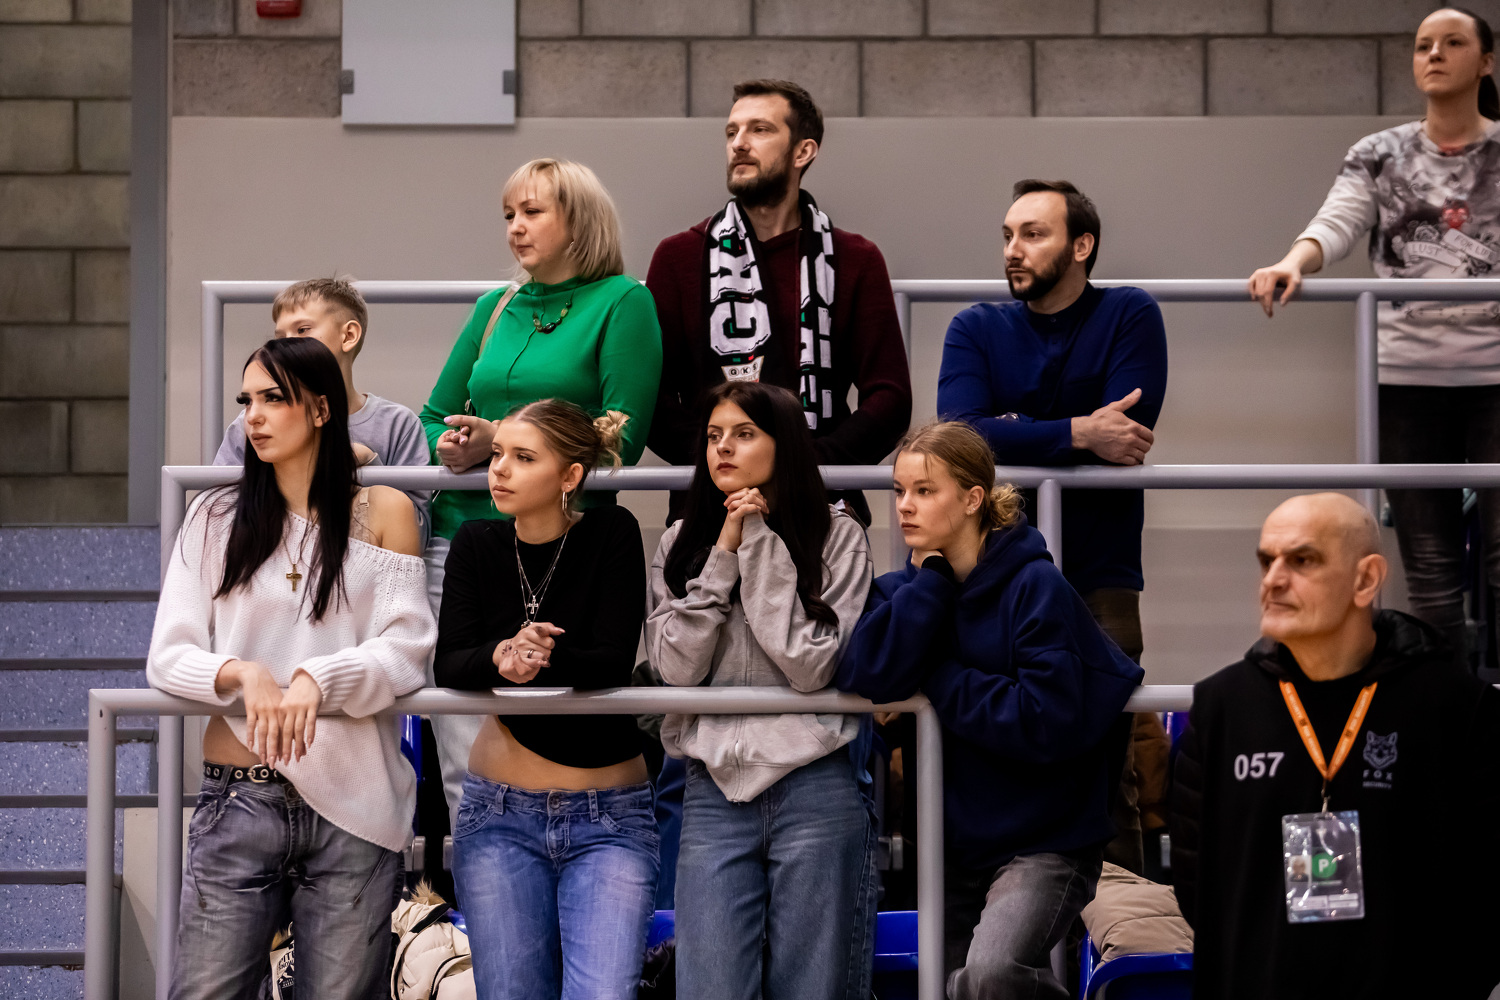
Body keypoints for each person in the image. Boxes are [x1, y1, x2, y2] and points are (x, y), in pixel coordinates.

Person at [147, 337, 434, 1000]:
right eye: (247, 400)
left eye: (274, 399)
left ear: (323, 409)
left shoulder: (385, 509)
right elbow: (169, 656)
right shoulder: (214, 515)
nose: (253, 415)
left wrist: (318, 678)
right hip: (238, 797)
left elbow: (408, 649)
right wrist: (242, 675)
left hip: (357, 809)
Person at [837, 420, 1143, 1000]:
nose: (904, 506)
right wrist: (933, 580)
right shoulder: (903, 590)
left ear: (973, 498)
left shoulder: (1035, 585)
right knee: (953, 988)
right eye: (899, 491)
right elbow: (865, 672)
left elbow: (1042, 719)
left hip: (1046, 841)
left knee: (990, 976)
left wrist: (936, 676)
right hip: (951, 846)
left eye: (925, 491)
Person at [1170, 493, 1500, 999]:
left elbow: (1488, 892)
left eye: (1302, 560)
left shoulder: (1456, 707)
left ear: (1366, 579)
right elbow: (1199, 885)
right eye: (1266, 560)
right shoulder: (1221, 706)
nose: (1273, 579)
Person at [1248, 8, 1500, 662]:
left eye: (1452, 43)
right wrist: (1293, 262)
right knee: (1431, 568)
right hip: (1408, 379)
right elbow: (1336, 222)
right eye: (1423, 45)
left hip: (1495, 378)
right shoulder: (1380, 152)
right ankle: (1448, 705)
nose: (1434, 54)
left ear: (1486, 62)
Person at [419, 158, 662, 823]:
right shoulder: (493, 307)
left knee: (563, 738)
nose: (515, 228)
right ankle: (478, 885)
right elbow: (432, 416)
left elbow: (623, 435)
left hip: (567, 542)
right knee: (462, 758)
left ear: (578, 221)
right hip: (465, 539)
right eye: (508, 215)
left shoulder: (624, 301)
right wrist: (450, 445)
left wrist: (497, 436)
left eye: (532, 212)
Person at [937, 178, 1168, 872]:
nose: (1013, 249)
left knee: (1108, 769)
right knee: (993, 760)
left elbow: (1125, 430)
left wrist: (1017, 428)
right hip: (994, 575)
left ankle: (1123, 929)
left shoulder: (1128, 313)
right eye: (1008, 235)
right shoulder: (975, 327)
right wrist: (1076, 431)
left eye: (1033, 234)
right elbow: (962, 434)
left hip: (1099, 572)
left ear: (1082, 245)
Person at [647, 381, 876, 1000]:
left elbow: (811, 665)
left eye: (744, 434)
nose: (722, 448)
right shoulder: (678, 542)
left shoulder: (839, 535)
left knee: (813, 989)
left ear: (785, 445)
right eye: (713, 436)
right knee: (710, 987)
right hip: (713, 788)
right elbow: (675, 669)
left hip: (816, 781)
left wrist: (758, 544)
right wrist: (723, 554)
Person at [435, 399, 656, 1000]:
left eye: (523, 457)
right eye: (497, 454)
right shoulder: (475, 542)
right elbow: (450, 662)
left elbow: (611, 659)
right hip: (499, 815)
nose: (499, 469)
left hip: (609, 816)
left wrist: (537, 657)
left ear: (570, 475)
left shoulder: (612, 531)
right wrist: (501, 655)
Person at [646, 78, 911, 524]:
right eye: (732, 132)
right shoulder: (678, 258)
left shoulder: (856, 259)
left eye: (760, 130)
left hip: (822, 501)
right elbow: (652, 398)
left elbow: (890, 398)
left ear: (803, 151)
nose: (739, 143)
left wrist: (803, 466)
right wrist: (727, 459)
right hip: (710, 506)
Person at [213, 276, 432, 547]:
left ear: (348, 336)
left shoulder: (398, 424)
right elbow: (217, 517)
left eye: (302, 330)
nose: (287, 345)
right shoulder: (248, 424)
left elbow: (417, 536)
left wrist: (367, 463)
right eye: (279, 337)